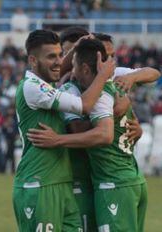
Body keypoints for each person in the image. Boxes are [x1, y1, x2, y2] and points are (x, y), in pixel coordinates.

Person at [28, 39, 148, 232]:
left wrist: (57, 140)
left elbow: (103, 134)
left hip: (113, 185)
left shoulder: (100, 94)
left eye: (71, 61)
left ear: (84, 67)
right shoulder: (117, 89)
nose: (68, 67)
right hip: (131, 181)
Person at [13, 29, 115, 232]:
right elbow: (85, 105)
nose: (59, 61)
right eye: (51, 56)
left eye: (61, 55)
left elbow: (60, 68)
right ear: (33, 61)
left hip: (62, 182)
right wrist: (103, 76)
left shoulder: (46, 84)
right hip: (39, 183)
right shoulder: (31, 87)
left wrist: (76, 48)